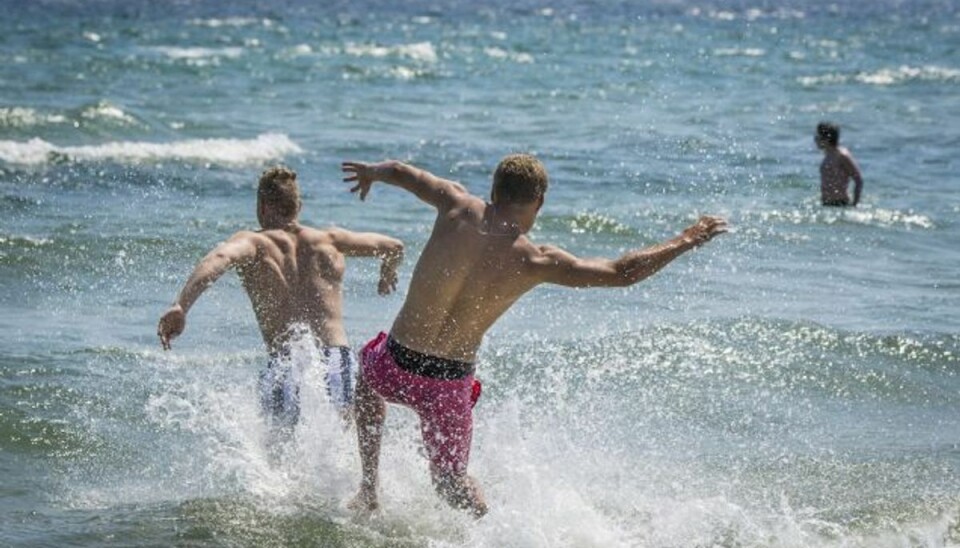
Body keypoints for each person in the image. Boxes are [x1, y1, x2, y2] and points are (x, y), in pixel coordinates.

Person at [341, 155, 727, 517]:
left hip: (396, 364)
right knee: (451, 483)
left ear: (493, 191)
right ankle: (490, 529)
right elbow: (622, 272)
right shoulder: (536, 260)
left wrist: (372, 173)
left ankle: (369, 489)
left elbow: (403, 173)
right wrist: (687, 238)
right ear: (539, 203)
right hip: (447, 384)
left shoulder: (455, 204)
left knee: (367, 381)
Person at [157, 166, 404, 434]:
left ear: (262, 207)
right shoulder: (329, 240)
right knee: (340, 440)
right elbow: (394, 247)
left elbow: (219, 259)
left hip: (288, 360)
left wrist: (182, 304)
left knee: (281, 454)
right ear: (299, 206)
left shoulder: (254, 242)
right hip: (336, 360)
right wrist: (387, 273)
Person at [815, 122, 864, 207]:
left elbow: (858, 179)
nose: (815, 140)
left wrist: (855, 204)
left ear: (826, 139)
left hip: (840, 204)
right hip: (826, 204)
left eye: (817, 137)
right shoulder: (827, 155)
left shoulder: (842, 155)